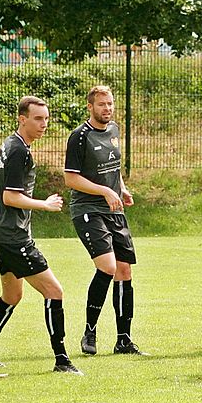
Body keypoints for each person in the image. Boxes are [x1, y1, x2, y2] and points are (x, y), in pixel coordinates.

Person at [0, 96, 82, 375]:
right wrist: (44, 204)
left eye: (46, 118)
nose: (44, 124)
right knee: (54, 291)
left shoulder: (9, 144)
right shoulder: (20, 151)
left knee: (12, 295)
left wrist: (0, 213)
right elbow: (10, 196)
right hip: (14, 238)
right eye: (38, 118)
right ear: (23, 119)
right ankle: (62, 360)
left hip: (0, 232)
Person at [65, 85, 146, 357]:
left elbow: (113, 167)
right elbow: (71, 179)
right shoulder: (79, 137)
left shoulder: (114, 130)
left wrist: (120, 188)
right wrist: (104, 191)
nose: (107, 108)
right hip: (87, 209)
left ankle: (124, 340)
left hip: (114, 209)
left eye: (110, 103)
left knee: (124, 270)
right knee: (108, 267)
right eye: (102, 104)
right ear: (90, 107)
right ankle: (90, 331)